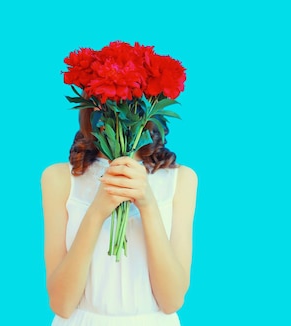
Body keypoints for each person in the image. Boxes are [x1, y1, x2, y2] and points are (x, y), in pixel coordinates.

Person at [41, 108, 198, 325]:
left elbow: (171, 301)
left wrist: (147, 203)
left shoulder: (180, 179)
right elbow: (61, 304)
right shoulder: (59, 178)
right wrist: (97, 210)